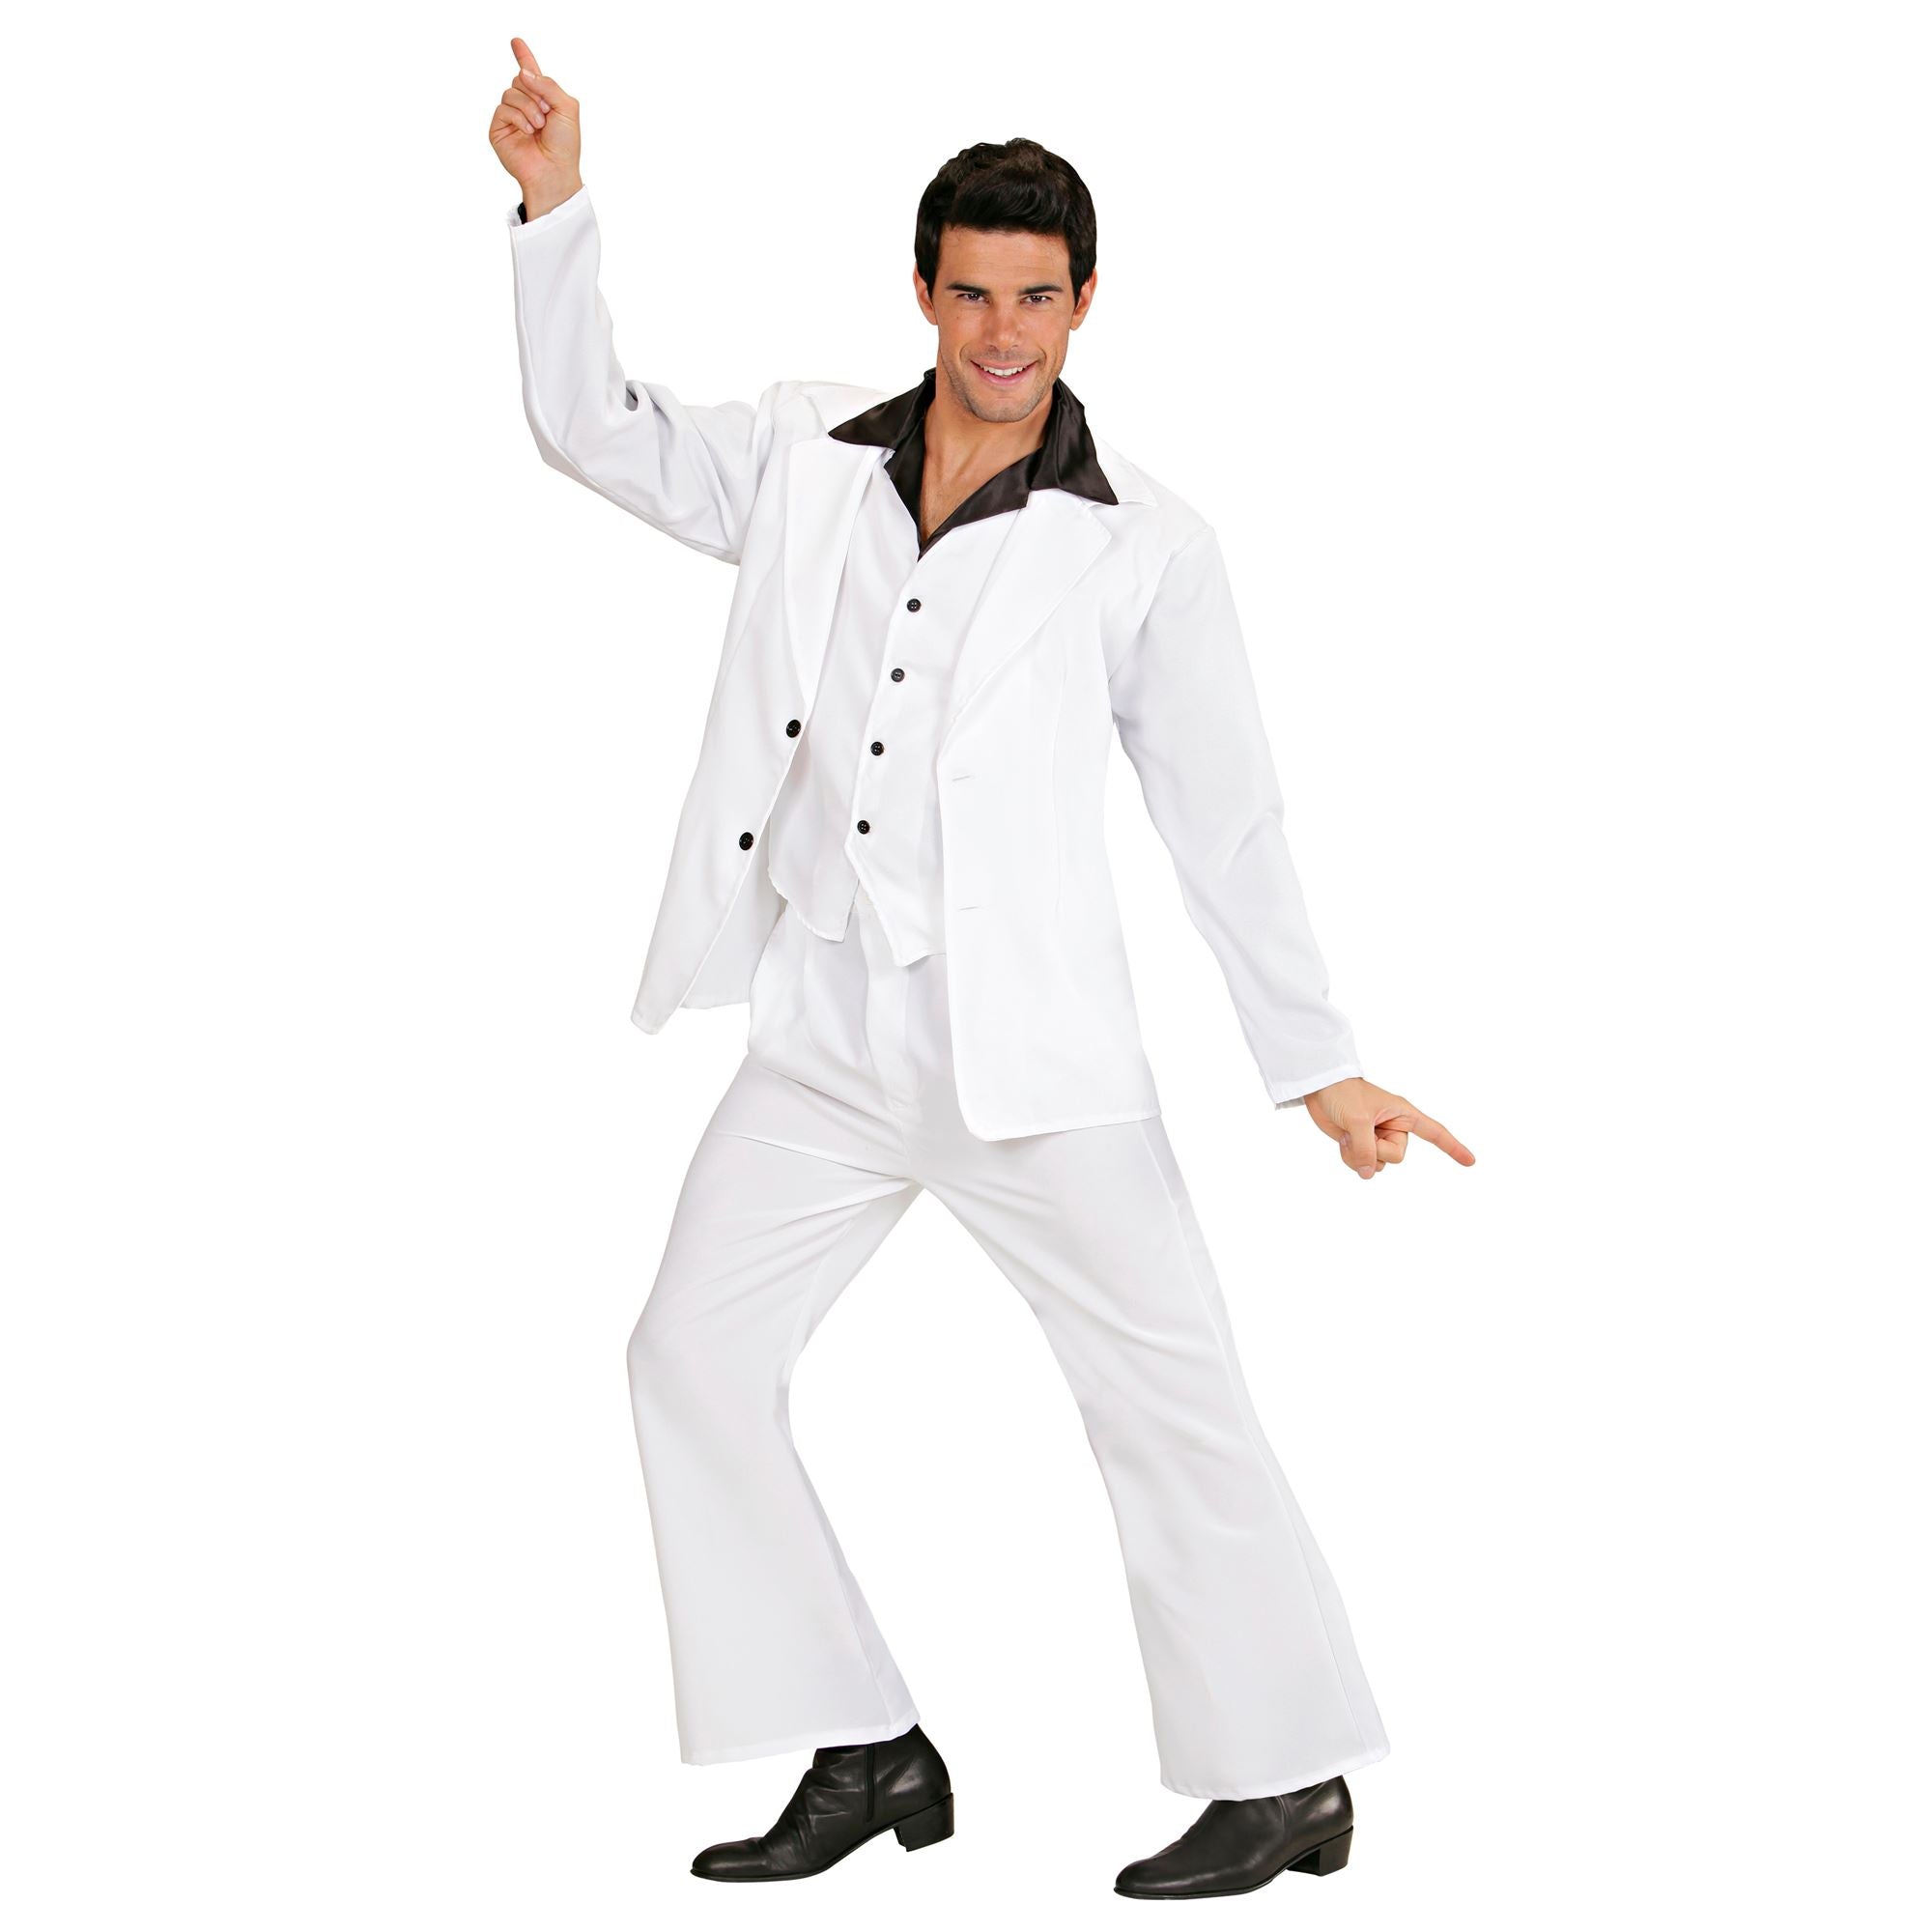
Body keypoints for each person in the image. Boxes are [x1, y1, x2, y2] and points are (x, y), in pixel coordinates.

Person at [491, 34, 1474, 1899]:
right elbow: (594, 431)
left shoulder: (1149, 549)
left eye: (1036, 297)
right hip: (825, 1038)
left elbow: (1226, 817)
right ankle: (863, 1743)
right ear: (922, 292)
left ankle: (1290, 1780)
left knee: (1170, 1401)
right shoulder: (806, 455)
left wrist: (1317, 1064)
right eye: (970, 293)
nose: (1001, 331)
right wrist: (555, 210)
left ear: (1086, 301)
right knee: (687, 1356)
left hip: (1037, 1061)